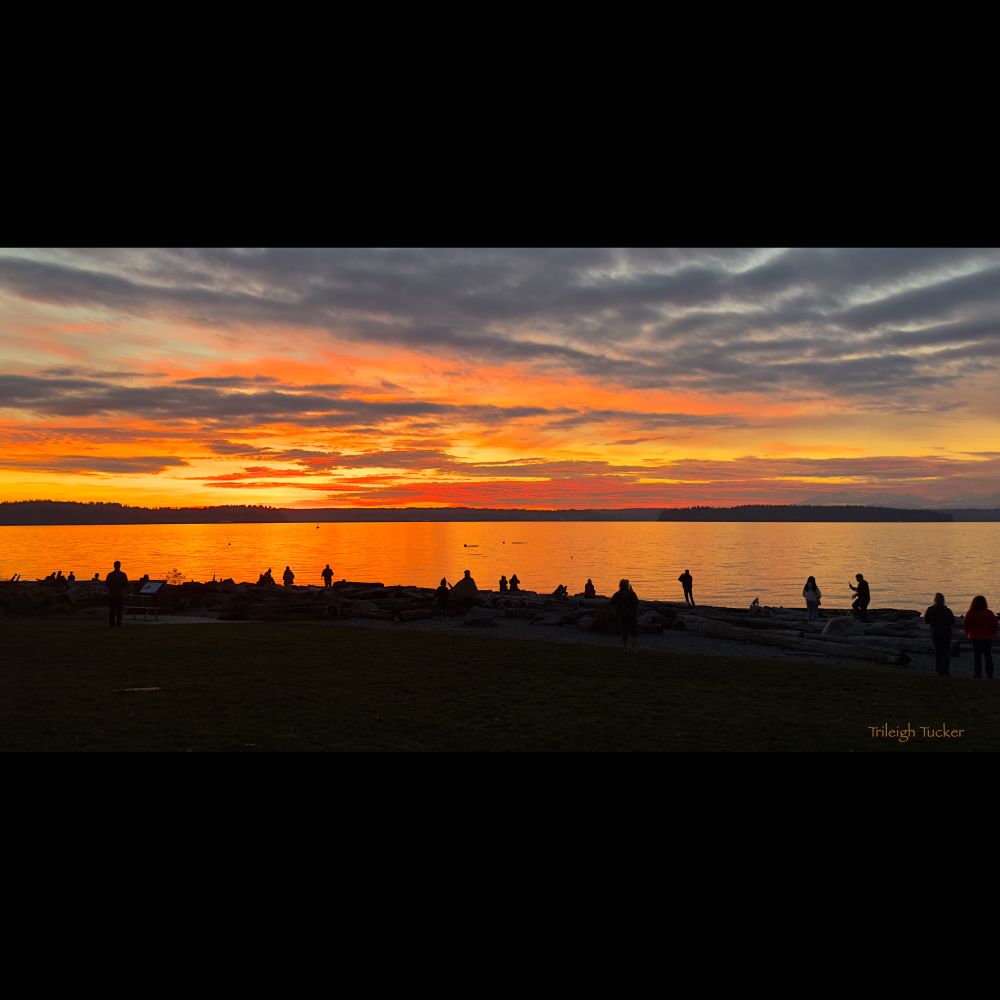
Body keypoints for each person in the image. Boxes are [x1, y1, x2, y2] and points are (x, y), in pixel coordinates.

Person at [964, 595, 997, 679]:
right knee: (988, 656)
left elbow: (966, 625)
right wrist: (993, 633)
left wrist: (968, 634)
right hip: (987, 636)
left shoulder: (970, 612)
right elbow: (994, 625)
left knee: (977, 656)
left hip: (975, 636)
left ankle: (978, 674)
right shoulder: (989, 613)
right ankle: (990, 675)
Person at [924, 593, 956, 677]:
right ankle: (945, 670)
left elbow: (926, 620)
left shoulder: (930, 609)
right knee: (945, 652)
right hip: (946, 633)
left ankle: (939, 671)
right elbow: (952, 622)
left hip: (935, 633)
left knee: (938, 652)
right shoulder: (947, 610)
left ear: (935, 600)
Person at [611, 578, 640, 653]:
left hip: (622, 616)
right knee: (634, 632)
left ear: (620, 586)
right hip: (632, 615)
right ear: (627, 585)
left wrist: (616, 611)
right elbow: (636, 603)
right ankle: (634, 648)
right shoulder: (632, 593)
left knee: (624, 632)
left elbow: (611, 603)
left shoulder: (617, 594)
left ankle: (625, 648)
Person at [106, 560, 128, 628]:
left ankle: (112, 624)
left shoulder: (110, 575)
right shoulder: (123, 575)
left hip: (112, 595)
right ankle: (118, 624)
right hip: (120, 595)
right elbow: (126, 585)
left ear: (114, 566)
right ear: (120, 566)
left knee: (112, 611)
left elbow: (107, 585)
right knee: (119, 611)